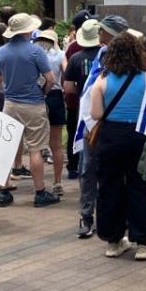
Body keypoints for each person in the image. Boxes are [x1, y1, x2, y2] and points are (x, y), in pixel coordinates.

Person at [90, 33, 146, 260]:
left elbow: (96, 113)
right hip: (139, 135)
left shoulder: (102, 80)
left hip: (110, 136)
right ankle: (142, 242)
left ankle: (113, 240)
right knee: (139, 186)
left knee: (109, 188)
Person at [0, 13, 59, 208]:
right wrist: (43, 92)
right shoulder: (35, 52)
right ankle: (39, 192)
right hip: (33, 103)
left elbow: (1, 77)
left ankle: (4, 191)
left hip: (10, 103)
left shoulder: (2, 52)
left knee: (7, 148)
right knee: (35, 148)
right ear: (28, 30)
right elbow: (50, 79)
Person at [65, 19, 102, 237]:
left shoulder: (76, 58)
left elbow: (68, 87)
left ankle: (86, 215)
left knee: (87, 168)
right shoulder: (108, 57)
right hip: (106, 118)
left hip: (85, 117)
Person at [35, 29, 66, 198]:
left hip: (37, 95)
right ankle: (57, 182)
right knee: (56, 144)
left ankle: (38, 184)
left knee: (37, 144)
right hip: (55, 96)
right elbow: (65, 73)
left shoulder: (33, 54)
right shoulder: (60, 55)